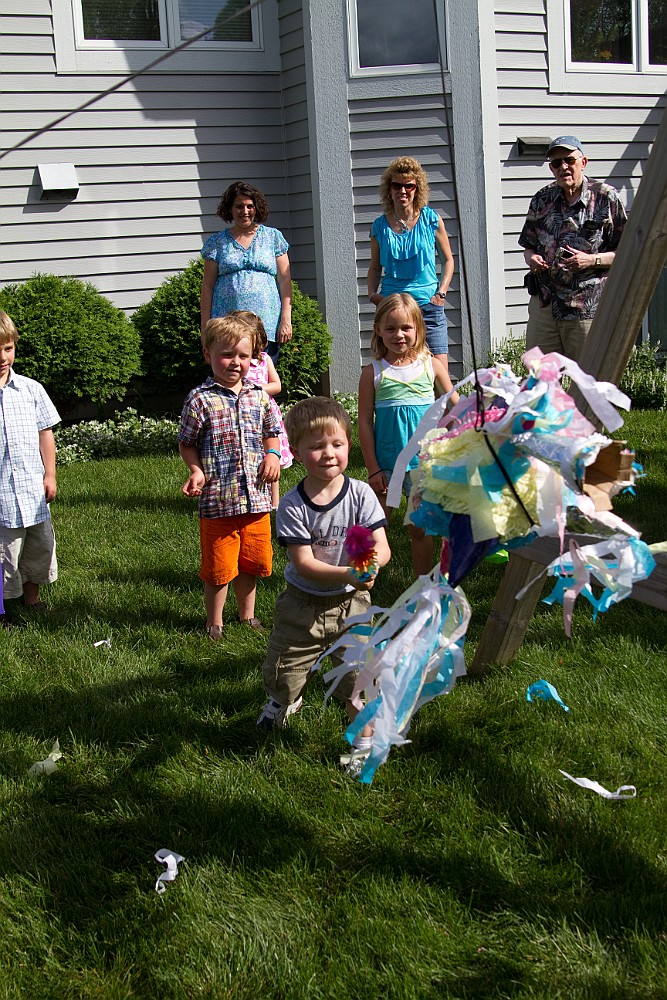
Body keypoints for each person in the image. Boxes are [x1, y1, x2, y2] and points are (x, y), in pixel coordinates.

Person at [257, 397, 391, 769]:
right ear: (297, 452)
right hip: (303, 605)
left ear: (348, 444)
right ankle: (283, 700)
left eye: (337, 443)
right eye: (317, 446)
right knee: (284, 675)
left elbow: (381, 546)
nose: (329, 453)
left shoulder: (361, 494)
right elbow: (304, 564)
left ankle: (362, 746)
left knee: (358, 682)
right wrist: (349, 573)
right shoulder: (293, 505)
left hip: (352, 607)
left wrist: (371, 566)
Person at [178, 314, 282, 640]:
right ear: (208, 354)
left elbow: (272, 433)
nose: (235, 362)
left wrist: (273, 455)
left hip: (256, 499)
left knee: (252, 562)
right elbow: (186, 442)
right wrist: (196, 470)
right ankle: (215, 623)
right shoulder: (200, 399)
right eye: (226, 355)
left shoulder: (259, 396)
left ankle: (247, 616)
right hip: (218, 502)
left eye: (243, 355)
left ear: (254, 357)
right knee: (218, 568)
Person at [358, 293, 456, 578]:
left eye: (406, 328)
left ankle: (422, 583)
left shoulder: (431, 366)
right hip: (386, 466)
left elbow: (456, 406)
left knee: (419, 529)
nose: (398, 335)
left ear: (418, 328)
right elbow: (363, 422)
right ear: (378, 330)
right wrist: (373, 468)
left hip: (423, 466)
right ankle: (361, 581)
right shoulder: (373, 372)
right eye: (390, 328)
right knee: (374, 525)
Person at [519, 134, 627, 362]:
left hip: (586, 309)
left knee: (589, 375)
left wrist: (592, 260)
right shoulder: (541, 199)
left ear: (583, 162)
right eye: (556, 163)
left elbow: (627, 253)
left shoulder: (606, 198)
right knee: (539, 374)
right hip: (545, 307)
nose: (563, 167)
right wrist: (532, 259)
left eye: (569, 160)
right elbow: (528, 246)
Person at [367, 155, 455, 374]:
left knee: (439, 374)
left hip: (429, 306)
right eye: (397, 185)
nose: (403, 191)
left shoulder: (431, 220)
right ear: (389, 189)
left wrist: (441, 293)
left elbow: (448, 260)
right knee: (397, 371)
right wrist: (372, 295)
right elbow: (375, 267)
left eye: (409, 186)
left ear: (418, 189)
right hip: (393, 309)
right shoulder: (379, 227)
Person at [0, 311, 60, 626]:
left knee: (38, 548)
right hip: (2, 498)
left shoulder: (30, 389)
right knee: (5, 554)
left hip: (32, 490)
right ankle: (3, 609)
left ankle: (32, 597)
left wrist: (49, 474)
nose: (3, 357)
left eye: (8, 348)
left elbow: (44, 433)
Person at [200, 181, 292, 361]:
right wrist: (205, 326)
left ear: (257, 208)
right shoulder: (217, 242)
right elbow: (207, 286)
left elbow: (284, 280)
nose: (245, 211)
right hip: (227, 325)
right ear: (230, 209)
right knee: (231, 370)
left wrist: (286, 320)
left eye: (250, 206)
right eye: (239, 206)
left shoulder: (273, 237)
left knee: (262, 372)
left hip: (266, 324)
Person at [239, 310, 293, 511]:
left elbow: (276, 385)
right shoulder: (237, 362)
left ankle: (275, 503)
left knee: (271, 457)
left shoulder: (264, 360)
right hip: (245, 417)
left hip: (265, 416)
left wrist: (256, 390)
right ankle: (249, 497)